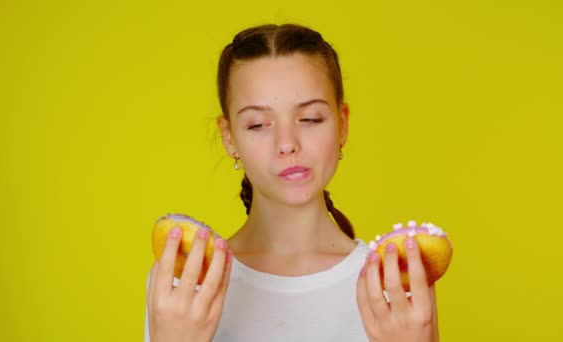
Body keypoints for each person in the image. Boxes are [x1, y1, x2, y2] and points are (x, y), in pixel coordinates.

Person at [144, 23, 439, 342]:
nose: (287, 143)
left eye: (310, 119)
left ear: (342, 125)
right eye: (258, 124)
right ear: (229, 138)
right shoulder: (186, 280)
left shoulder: (397, 283)